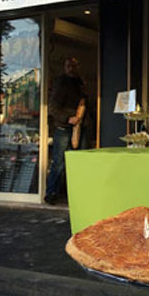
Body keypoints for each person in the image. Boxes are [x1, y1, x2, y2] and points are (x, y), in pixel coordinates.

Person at [45, 57, 89, 205]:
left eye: (74, 66)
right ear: (65, 67)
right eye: (68, 66)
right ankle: (51, 193)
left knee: (78, 161)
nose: (71, 68)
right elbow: (52, 108)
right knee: (59, 162)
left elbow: (85, 104)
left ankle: (75, 193)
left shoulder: (80, 83)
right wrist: (68, 118)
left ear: (78, 67)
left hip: (79, 127)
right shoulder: (61, 83)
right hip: (64, 127)